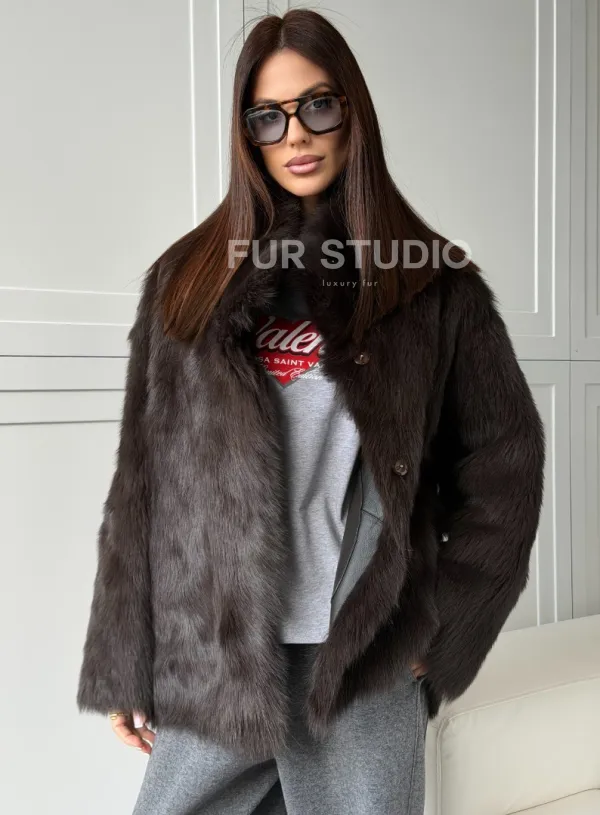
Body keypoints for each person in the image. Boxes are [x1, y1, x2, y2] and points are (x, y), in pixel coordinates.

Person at [76, 8, 546, 815]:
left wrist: (446, 626)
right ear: (247, 135)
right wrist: (125, 654)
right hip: (216, 658)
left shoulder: (433, 287)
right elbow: (142, 480)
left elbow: (507, 465)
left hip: (362, 660)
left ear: (352, 112)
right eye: (267, 116)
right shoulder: (188, 280)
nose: (295, 133)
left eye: (317, 106)